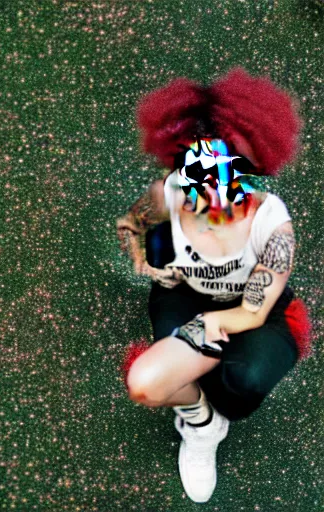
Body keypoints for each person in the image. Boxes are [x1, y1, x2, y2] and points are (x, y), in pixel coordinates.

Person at [116, 68, 313, 503]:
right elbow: (130, 226)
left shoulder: (271, 222)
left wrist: (203, 328)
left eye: (222, 169)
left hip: (253, 306)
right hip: (185, 296)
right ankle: (201, 425)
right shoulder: (167, 196)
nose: (206, 185)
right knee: (147, 382)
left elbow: (253, 312)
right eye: (191, 167)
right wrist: (146, 264)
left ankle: (219, 400)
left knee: (245, 381)